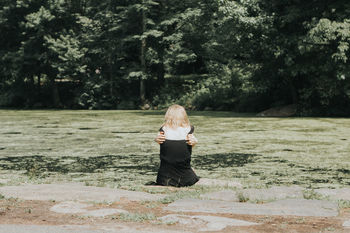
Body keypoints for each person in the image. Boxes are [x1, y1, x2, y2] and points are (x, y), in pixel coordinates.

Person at [154, 104, 199, 187]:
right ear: (184, 116)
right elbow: (192, 143)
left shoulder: (163, 130)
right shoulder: (189, 130)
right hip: (185, 179)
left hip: (164, 179)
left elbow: (160, 141)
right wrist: (195, 142)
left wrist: (156, 140)